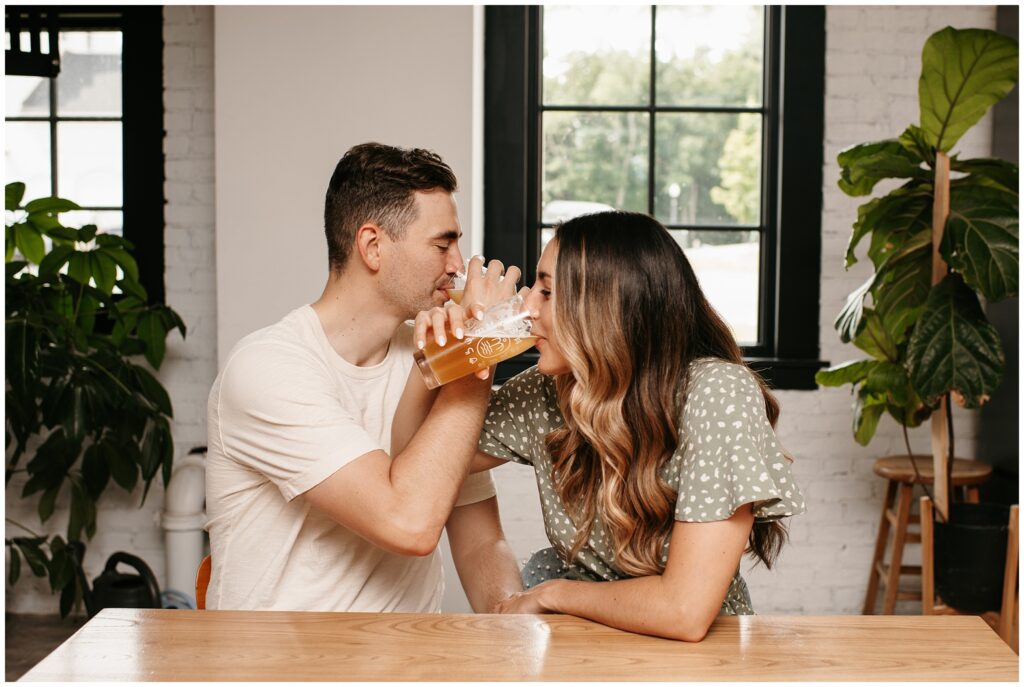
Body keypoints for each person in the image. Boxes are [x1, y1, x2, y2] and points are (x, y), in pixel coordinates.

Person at [204, 142, 523, 612]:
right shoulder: (268, 368)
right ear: (373, 247)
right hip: (283, 669)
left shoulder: (432, 352)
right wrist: (479, 350)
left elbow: (480, 543)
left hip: (403, 665)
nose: (458, 266)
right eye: (442, 244)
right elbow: (408, 523)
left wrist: (517, 625)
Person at [466, 211, 805, 641]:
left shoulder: (716, 392)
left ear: (610, 308)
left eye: (547, 291)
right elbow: (428, 466)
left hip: (691, 661)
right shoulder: (551, 386)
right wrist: (467, 346)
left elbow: (684, 612)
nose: (527, 307)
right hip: (578, 644)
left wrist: (554, 595)